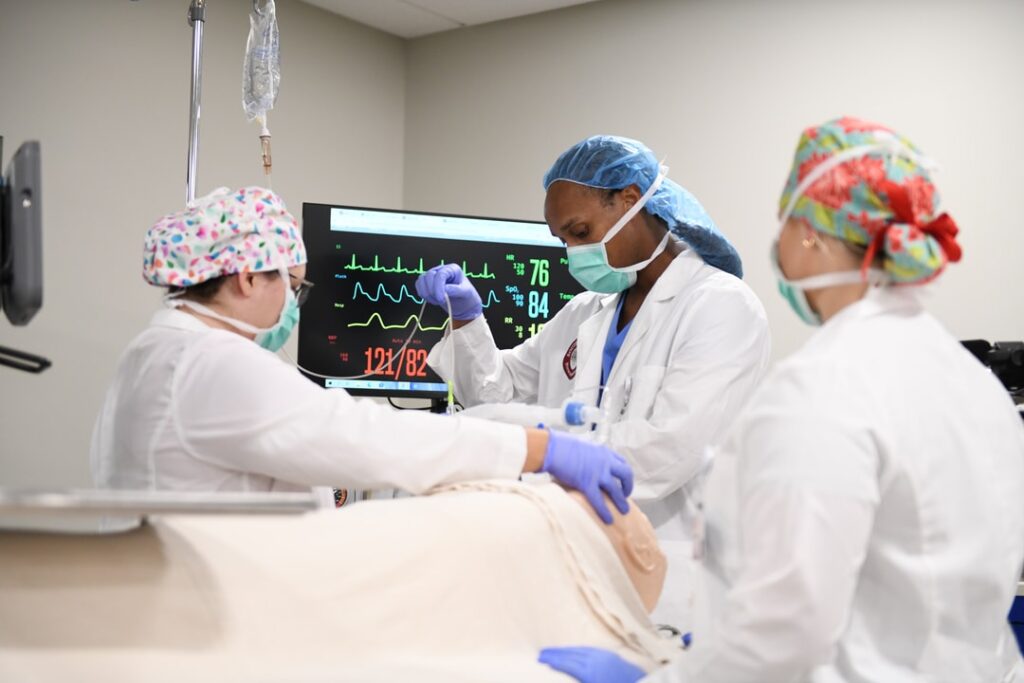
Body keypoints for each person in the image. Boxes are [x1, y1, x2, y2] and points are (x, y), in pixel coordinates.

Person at [538, 117, 1024, 682]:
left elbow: (782, 634)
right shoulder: (978, 386)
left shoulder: (822, 390)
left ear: (812, 233)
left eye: (786, 221)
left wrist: (656, 680)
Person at [90, 186, 633, 524]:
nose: (295, 305)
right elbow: (368, 436)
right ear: (250, 276)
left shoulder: (158, 348)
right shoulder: (212, 363)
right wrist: (535, 448)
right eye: (295, 286)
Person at [415, 135, 770, 624]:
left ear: (629, 199)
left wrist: (541, 453)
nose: (573, 253)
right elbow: (495, 394)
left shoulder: (720, 307)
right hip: (569, 563)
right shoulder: (586, 312)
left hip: (668, 578)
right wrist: (465, 321)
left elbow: (665, 451)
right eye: (564, 240)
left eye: (580, 231)